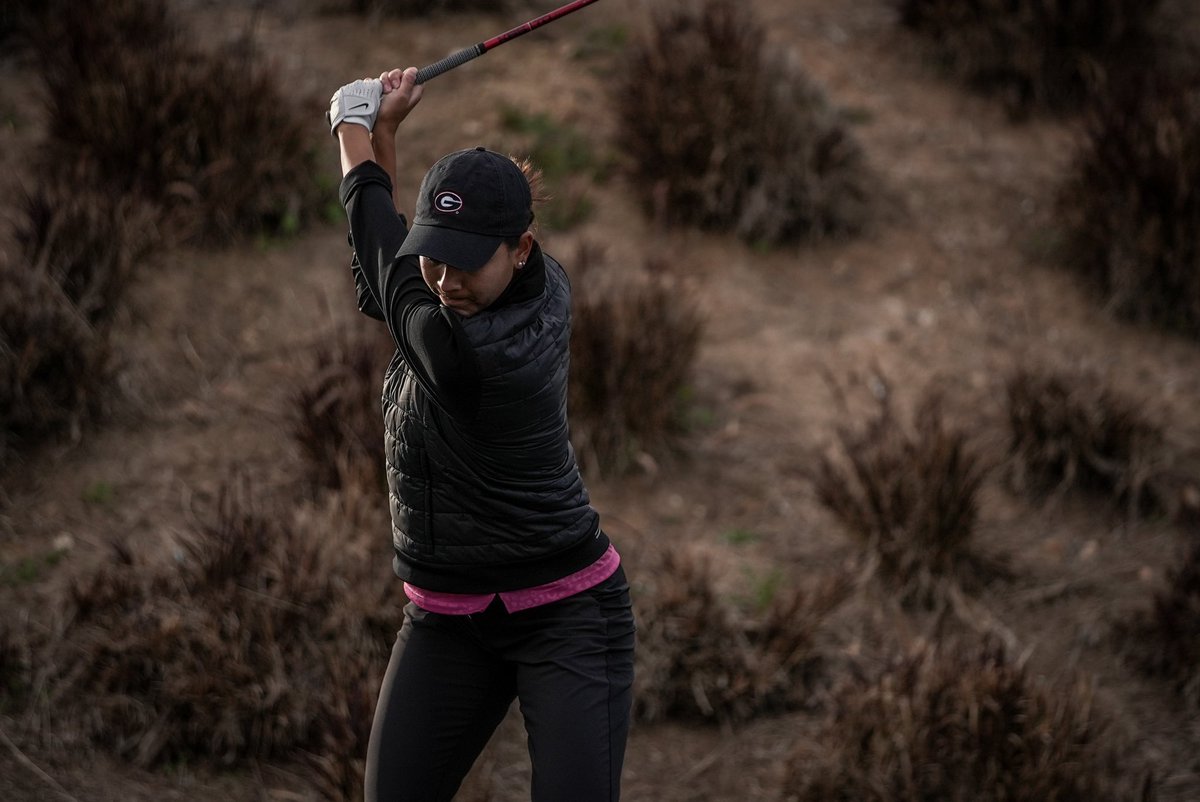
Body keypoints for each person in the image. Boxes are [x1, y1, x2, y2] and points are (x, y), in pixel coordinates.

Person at [327, 68, 636, 802]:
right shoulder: (454, 301)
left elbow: (387, 272)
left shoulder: (483, 354)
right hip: (448, 618)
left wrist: (349, 128)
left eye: (465, 264)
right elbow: (391, 276)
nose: (444, 281)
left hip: (565, 614)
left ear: (521, 249)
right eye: (436, 256)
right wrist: (388, 136)